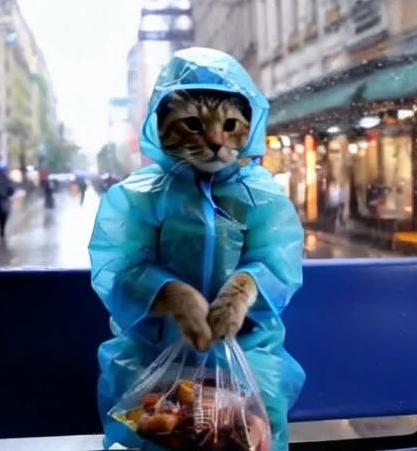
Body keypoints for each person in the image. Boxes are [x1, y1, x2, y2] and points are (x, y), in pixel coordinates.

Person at [90, 48, 304, 451]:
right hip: (152, 350)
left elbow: (279, 258)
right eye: (192, 125)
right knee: (155, 431)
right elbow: (120, 267)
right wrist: (173, 294)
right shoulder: (139, 196)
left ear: (250, 125)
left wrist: (243, 288)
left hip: (248, 352)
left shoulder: (261, 195)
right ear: (160, 121)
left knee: (252, 430)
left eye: (231, 125)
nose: (215, 142)